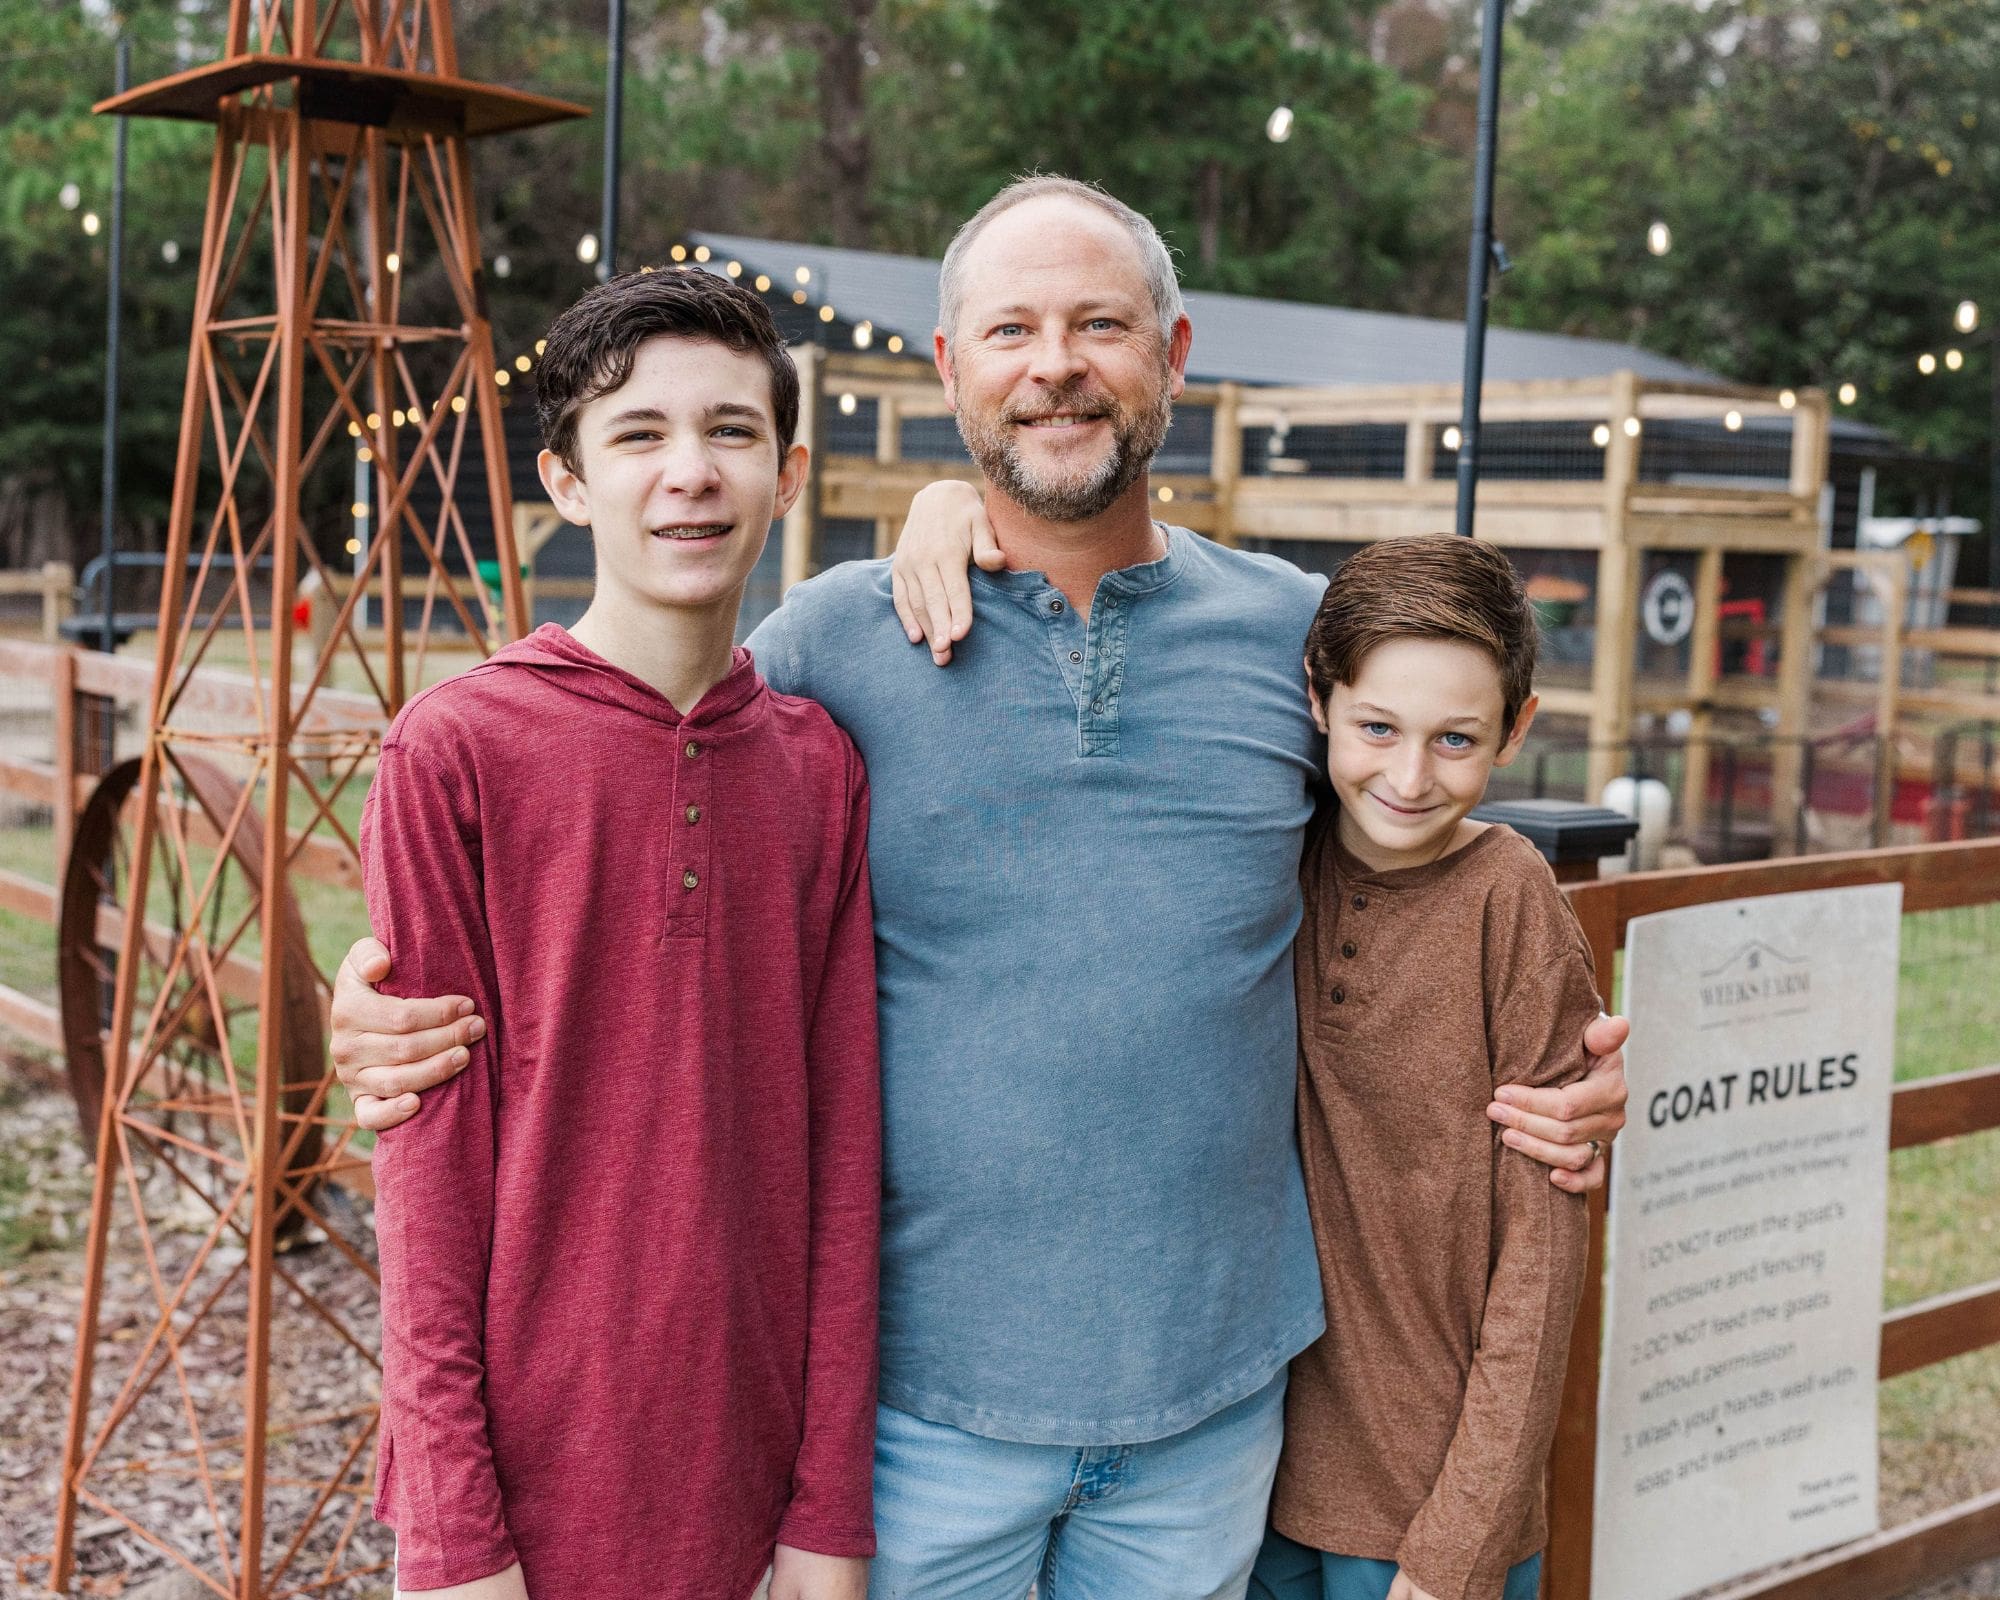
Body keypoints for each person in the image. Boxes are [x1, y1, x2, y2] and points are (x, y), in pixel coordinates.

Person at [332, 176, 1628, 1600]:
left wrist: (1535, 1069)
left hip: (1208, 1406)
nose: (1056, 363)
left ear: (1176, 352)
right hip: (913, 1413)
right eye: (1010, 329)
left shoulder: (1294, 644)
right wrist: (382, 1022)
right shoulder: (833, 646)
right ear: (949, 369)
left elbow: (1410, 869)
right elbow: (638, 803)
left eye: (1100, 325)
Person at [359, 269, 880, 1600]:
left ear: (789, 469)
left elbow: (839, 1153)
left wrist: (826, 1514)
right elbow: (425, 1184)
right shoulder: (456, 750)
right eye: (639, 436)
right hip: (528, 1496)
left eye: (731, 432)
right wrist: (455, 1534)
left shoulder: (820, 768)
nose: (690, 474)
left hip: (751, 1486)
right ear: (568, 482)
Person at [1244, 535, 1598, 1600]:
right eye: (1375, 728)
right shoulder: (1270, 854)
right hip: (1250, 1485)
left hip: (1432, 1518)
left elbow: (1540, 1263)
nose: (1406, 776)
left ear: (1515, 729)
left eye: (1455, 739)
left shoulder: (1509, 900)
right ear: (1318, 700)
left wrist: (1456, 1550)